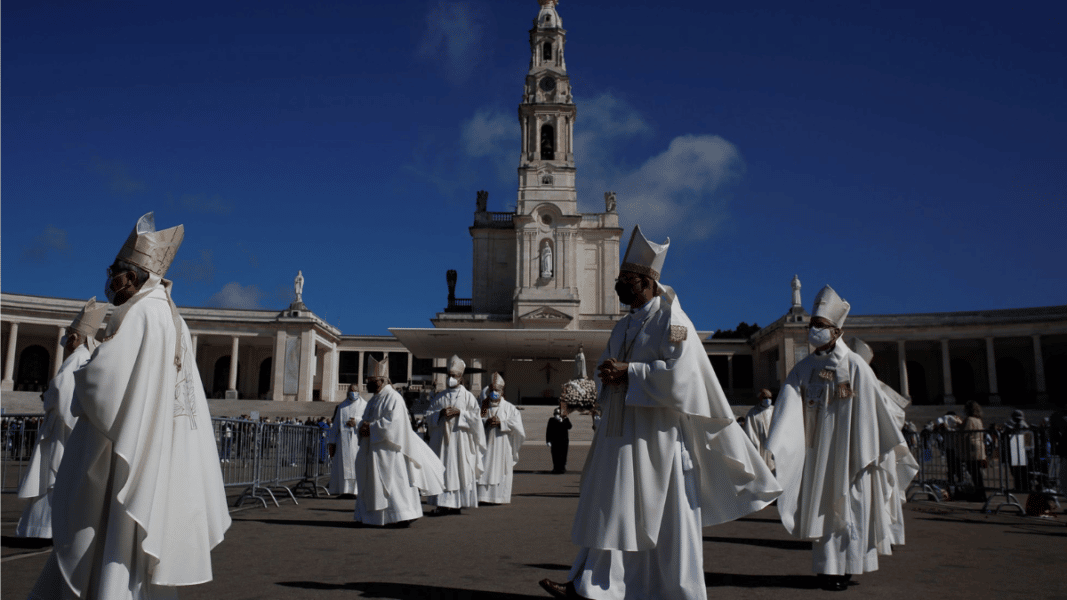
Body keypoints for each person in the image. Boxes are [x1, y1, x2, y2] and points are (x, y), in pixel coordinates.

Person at [540, 225, 780, 600]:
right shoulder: (622, 325)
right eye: (619, 281)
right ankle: (590, 585)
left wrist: (630, 372)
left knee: (663, 518)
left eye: (628, 281)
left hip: (658, 439)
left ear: (649, 282)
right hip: (620, 433)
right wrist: (606, 375)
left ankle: (669, 592)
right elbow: (608, 363)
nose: (621, 288)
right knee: (610, 507)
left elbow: (682, 378)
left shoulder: (674, 322)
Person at [29, 212, 230, 600]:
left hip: (118, 451)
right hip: (154, 446)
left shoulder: (137, 312)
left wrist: (85, 369)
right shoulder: (174, 319)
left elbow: (105, 384)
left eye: (115, 272)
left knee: (108, 533)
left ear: (133, 276)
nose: (110, 280)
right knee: (129, 540)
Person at [766, 285, 917, 592]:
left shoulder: (857, 367)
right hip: (819, 453)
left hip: (852, 454)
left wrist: (866, 448)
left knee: (851, 510)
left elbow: (875, 413)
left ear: (836, 330)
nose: (813, 331)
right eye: (811, 325)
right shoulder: (804, 368)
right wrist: (776, 444)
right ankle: (828, 570)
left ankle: (847, 568)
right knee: (825, 510)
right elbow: (788, 405)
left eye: (819, 326)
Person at [16, 297, 107, 539]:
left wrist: (47, 397)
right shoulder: (86, 356)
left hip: (62, 427)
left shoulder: (77, 358)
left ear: (77, 337)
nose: (65, 339)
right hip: (68, 424)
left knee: (53, 478)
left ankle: (44, 529)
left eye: (69, 334)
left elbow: (61, 389)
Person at [354, 356, 444, 527]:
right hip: (373, 449)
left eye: (371, 381)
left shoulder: (393, 397)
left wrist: (371, 428)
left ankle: (401, 516)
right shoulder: (374, 399)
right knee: (374, 484)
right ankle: (372, 517)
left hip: (390, 451)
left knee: (394, 485)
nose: (368, 384)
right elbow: (365, 420)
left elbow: (394, 424)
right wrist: (362, 426)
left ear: (381, 380)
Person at [427, 355, 486, 515]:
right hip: (442, 443)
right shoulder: (440, 397)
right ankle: (442, 503)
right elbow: (429, 415)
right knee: (443, 470)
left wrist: (460, 413)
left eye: (454, 376)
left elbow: (476, 418)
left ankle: (457, 502)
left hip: (460, 442)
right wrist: (439, 414)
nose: (451, 379)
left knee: (459, 469)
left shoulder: (468, 397)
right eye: (449, 376)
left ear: (461, 378)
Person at [477, 372, 525, 504]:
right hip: (485, 445)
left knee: (500, 469)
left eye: (497, 390)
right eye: (492, 390)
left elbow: (518, 426)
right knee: (484, 468)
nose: (494, 392)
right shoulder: (483, 407)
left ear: (502, 391)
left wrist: (501, 423)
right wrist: (485, 422)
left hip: (502, 446)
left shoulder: (510, 408)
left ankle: (498, 497)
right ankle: (481, 496)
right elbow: (475, 421)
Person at [328, 384, 368, 497]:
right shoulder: (341, 406)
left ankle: (356, 490)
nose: (353, 392)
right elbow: (335, 426)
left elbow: (368, 420)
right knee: (342, 465)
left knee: (357, 465)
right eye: (351, 390)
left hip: (357, 440)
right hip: (343, 441)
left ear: (359, 392)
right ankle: (344, 490)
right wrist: (332, 442)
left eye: (355, 390)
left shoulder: (364, 405)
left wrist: (357, 422)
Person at [743, 389, 775, 473]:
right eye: (765, 397)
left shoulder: (775, 410)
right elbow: (749, 432)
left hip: (773, 448)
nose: (768, 400)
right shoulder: (753, 413)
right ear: (760, 398)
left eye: (770, 397)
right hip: (760, 447)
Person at [961, 401, 987, 502]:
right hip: (979, 448)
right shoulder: (978, 419)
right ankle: (981, 493)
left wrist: (959, 425)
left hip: (971, 449)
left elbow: (965, 433)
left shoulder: (969, 419)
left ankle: (980, 494)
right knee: (977, 473)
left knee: (974, 472)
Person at [1005, 409, 1034, 492]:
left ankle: (1022, 486)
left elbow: (1028, 443)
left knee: (1020, 471)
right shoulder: (1022, 426)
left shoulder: (1022, 426)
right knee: (1019, 471)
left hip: (1020, 449)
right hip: (1019, 449)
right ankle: (1021, 486)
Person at [545, 402, 572, 474]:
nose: (557, 415)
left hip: (564, 441)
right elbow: (548, 430)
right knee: (555, 454)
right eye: (556, 414)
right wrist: (548, 440)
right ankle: (556, 468)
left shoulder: (565, 420)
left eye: (558, 414)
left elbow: (569, 427)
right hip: (555, 441)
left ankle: (562, 468)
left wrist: (564, 420)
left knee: (563, 454)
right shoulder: (551, 420)